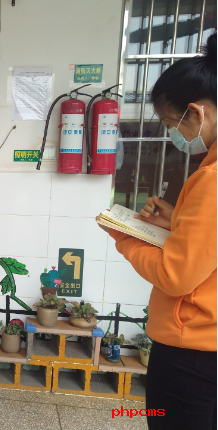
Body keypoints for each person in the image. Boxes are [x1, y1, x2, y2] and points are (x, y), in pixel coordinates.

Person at [98, 34, 216, 430]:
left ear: (196, 114)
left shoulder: (212, 179)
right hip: (207, 344)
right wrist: (175, 223)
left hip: (192, 349)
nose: (172, 135)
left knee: (164, 418)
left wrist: (125, 235)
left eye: (170, 123)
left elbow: (175, 276)